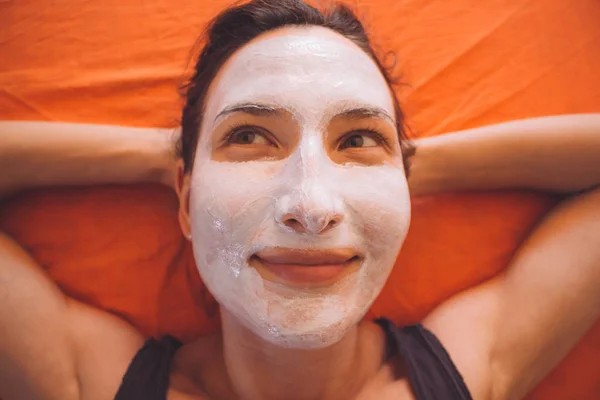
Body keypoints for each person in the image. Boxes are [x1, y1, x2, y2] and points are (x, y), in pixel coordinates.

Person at [0, 0, 599, 399]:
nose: (311, 207)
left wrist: (405, 165)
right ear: (185, 201)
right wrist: (168, 162)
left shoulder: (470, 369)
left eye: (357, 139)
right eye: (248, 138)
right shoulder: (93, 384)